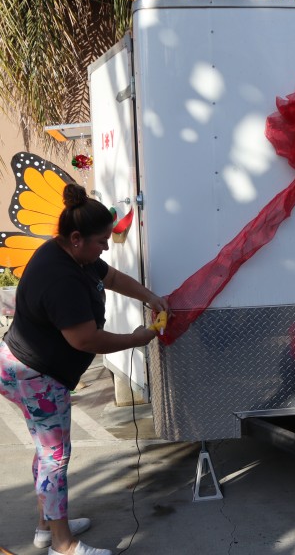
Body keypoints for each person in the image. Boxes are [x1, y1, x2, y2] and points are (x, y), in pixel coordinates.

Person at [0, 183, 169, 555]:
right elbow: (85, 340)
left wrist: (149, 296)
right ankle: (63, 544)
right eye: (100, 241)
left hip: (23, 367)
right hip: (35, 375)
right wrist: (136, 338)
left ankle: (47, 526)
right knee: (54, 456)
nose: (105, 247)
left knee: (46, 451)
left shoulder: (74, 255)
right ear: (76, 238)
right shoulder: (60, 278)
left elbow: (110, 278)